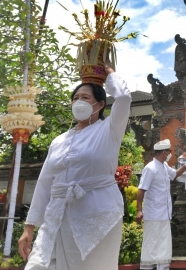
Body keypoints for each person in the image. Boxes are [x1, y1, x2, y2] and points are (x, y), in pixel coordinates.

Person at [18, 63, 131, 270]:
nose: (79, 102)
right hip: (56, 215)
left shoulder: (109, 130)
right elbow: (45, 184)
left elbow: (123, 99)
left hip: (96, 218)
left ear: (100, 105)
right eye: (75, 98)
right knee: (37, 265)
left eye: (85, 98)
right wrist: (29, 227)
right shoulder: (59, 141)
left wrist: (110, 75)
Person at [136, 139, 186, 270]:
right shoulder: (150, 168)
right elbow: (141, 190)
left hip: (164, 213)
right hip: (152, 214)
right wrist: (139, 210)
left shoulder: (164, 166)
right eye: (169, 151)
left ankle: (163, 268)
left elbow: (175, 175)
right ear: (164, 152)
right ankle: (147, 268)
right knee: (151, 244)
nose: (170, 153)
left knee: (164, 244)